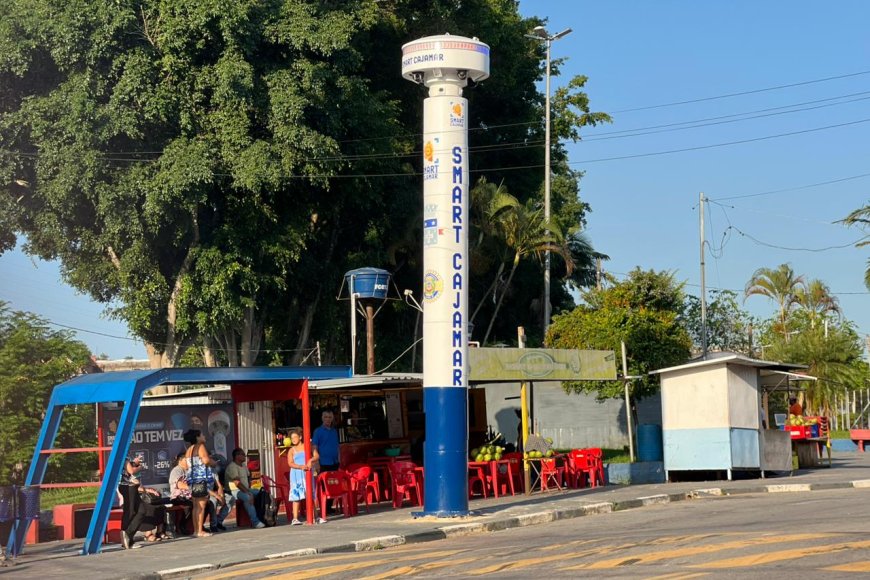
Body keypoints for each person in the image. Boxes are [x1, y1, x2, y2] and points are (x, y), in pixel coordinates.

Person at [118, 456, 167, 549]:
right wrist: (140, 467)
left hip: (132, 486)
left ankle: (128, 535)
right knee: (130, 512)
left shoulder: (126, 457)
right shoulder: (122, 456)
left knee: (141, 511)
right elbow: (131, 471)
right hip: (128, 486)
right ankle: (126, 536)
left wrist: (134, 462)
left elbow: (128, 468)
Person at [183, 429, 218, 538]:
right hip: (201, 479)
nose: (204, 436)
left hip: (192, 479)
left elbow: (185, 465)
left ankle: (196, 530)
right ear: (197, 437)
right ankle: (199, 531)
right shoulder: (200, 446)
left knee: (196, 505)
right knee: (201, 506)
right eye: (202, 434)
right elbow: (206, 461)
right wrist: (214, 463)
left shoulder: (189, 449)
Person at [286, 428, 325, 525]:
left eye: (295, 437)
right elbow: (290, 463)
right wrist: (300, 466)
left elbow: (316, 456)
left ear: (300, 437)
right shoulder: (291, 450)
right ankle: (295, 518)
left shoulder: (308, 446)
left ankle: (316, 517)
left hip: (307, 473)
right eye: (292, 438)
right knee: (296, 496)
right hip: (296, 474)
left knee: (310, 495)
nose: (294, 439)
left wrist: (310, 460)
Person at [225, 448, 265, 529]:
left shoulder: (243, 465)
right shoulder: (232, 467)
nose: (245, 456)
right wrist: (248, 493)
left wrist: (249, 489)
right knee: (247, 498)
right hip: (234, 490)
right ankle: (255, 522)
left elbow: (248, 476)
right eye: (243, 455)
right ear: (237, 456)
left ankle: (265, 516)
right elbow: (237, 483)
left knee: (260, 492)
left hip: (245, 488)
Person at [168, 452, 193, 535]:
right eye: (187, 459)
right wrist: (192, 488)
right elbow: (179, 484)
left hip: (189, 495)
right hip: (178, 496)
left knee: (206, 503)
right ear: (181, 460)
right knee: (189, 505)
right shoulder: (177, 470)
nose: (189, 461)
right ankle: (182, 526)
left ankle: (198, 525)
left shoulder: (189, 470)